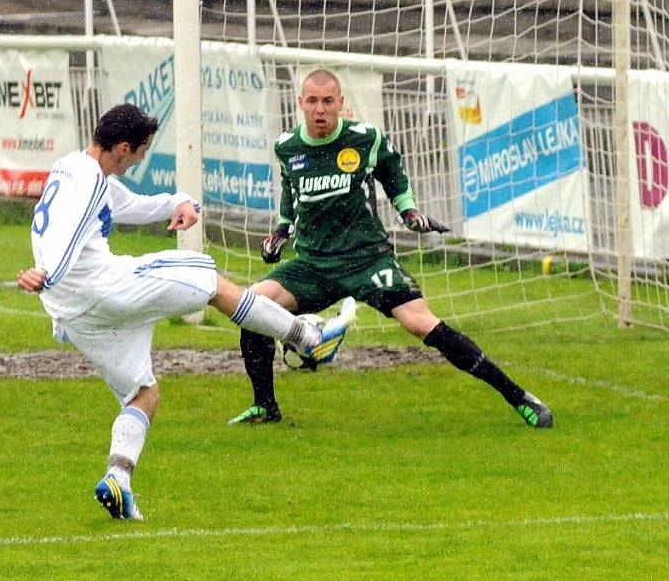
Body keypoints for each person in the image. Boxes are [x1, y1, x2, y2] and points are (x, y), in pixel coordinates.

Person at [16, 103, 356, 521]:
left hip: (75, 313)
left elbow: (130, 207)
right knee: (211, 282)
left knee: (142, 394)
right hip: (101, 288)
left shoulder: (76, 169)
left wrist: (180, 200)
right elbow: (63, 235)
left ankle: (118, 480)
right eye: (140, 151)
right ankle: (309, 339)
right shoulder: (87, 183)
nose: (142, 158)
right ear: (122, 147)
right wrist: (47, 272)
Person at [228, 69, 553, 429]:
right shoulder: (287, 146)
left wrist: (409, 211)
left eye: (328, 102)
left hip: (368, 259)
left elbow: (392, 173)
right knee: (251, 307)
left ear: (340, 104)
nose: (320, 109)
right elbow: (291, 191)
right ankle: (265, 406)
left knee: (421, 323)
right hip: (314, 265)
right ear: (300, 103)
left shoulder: (365, 138)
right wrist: (281, 231)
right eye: (313, 101)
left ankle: (520, 397)